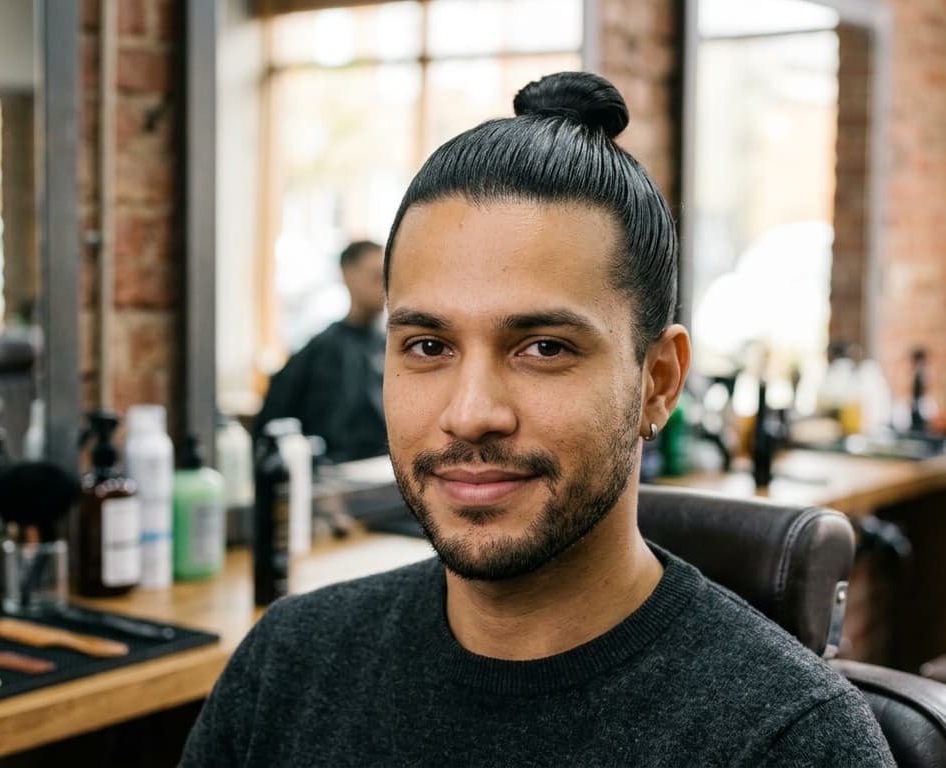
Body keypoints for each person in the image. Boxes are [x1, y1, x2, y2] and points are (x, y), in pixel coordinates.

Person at [181, 72, 893, 767]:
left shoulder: (788, 741)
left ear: (659, 382)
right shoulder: (288, 666)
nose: (470, 414)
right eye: (428, 347)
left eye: (544, 348)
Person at [253, 240, 388, 462]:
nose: (384, 286)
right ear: (348, 276)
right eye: (375, 276)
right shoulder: (319, 351)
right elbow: (272, 420)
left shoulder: (395, 350)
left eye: (387, 276)